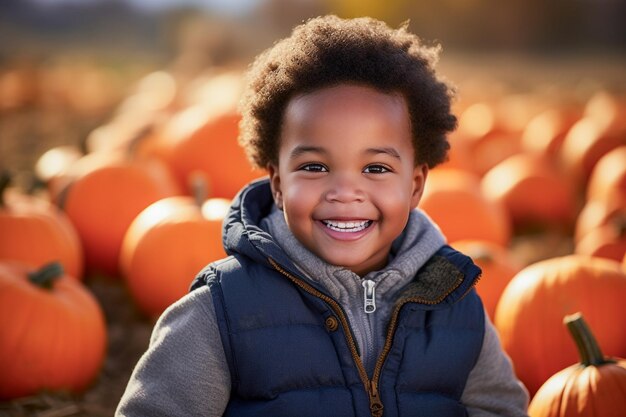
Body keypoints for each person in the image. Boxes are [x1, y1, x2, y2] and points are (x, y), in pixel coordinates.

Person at [116, 15, 529, 417]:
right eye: (315, 167)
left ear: (416, 185)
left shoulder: (455, 306)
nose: (345, 192)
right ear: (277, 183)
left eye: (376, 168)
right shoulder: (222, 311)